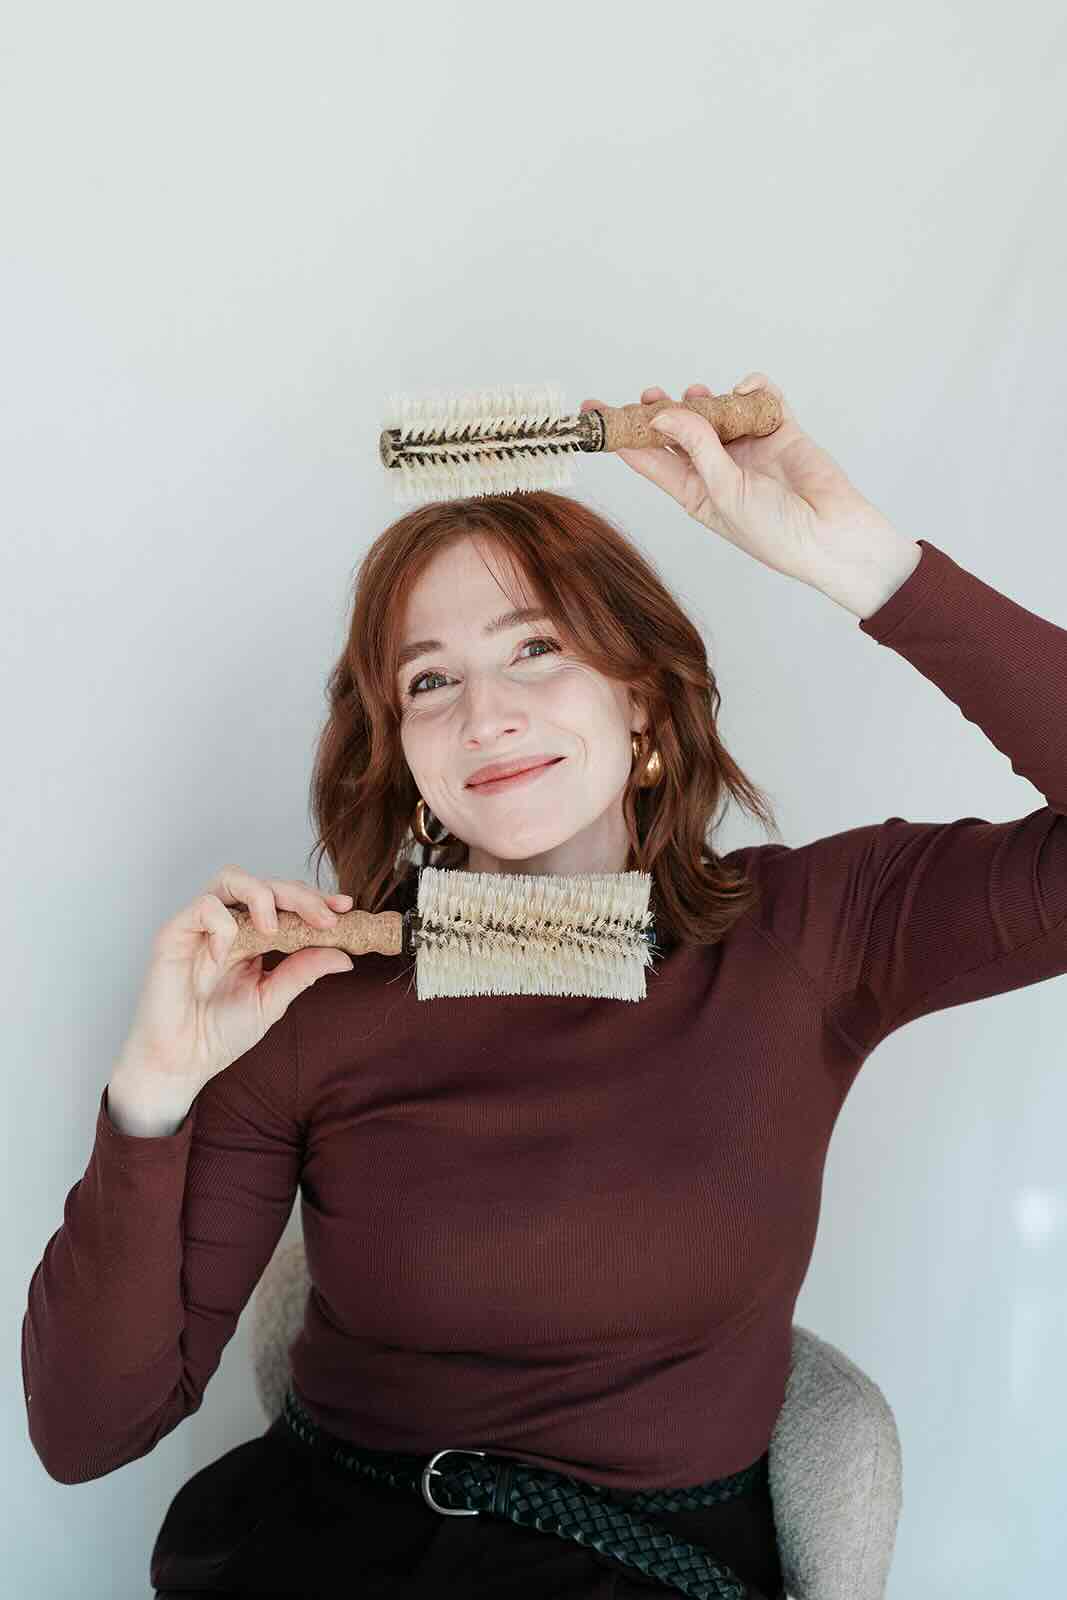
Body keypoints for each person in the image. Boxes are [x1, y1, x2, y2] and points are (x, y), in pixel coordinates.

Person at [23, 377, 1067, 1598]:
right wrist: (151, 1093)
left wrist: (859, 560)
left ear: (644, 704)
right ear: (405, 756)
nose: (486, 715)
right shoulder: (311, 997)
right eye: (429, 680)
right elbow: (85, 1431)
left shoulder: (812, 933)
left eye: (535, 648)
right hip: (324, 1555)